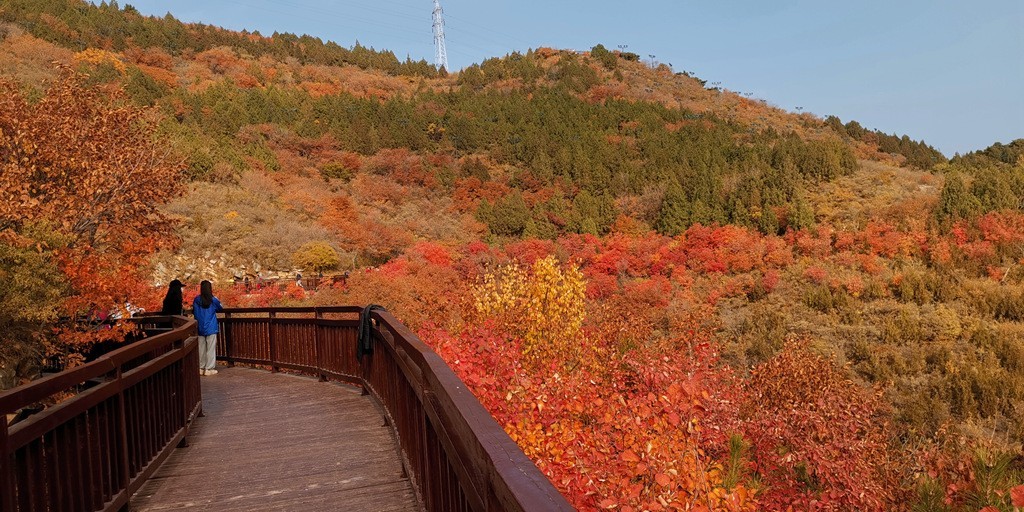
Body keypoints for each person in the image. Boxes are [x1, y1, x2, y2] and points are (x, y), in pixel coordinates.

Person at [193, 280, 224, 376]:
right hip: (211, 327)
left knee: (201, 348)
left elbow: (194, 311)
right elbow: (220, 308)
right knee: (210, 349)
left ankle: (201, 368)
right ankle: (209, 368)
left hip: (200, 327)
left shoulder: (197, 300)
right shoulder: (213, 300)